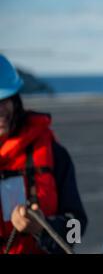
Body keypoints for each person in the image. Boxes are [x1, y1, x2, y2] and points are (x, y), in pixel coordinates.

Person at [0, 55, 87, 254]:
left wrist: (44, 228)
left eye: (4, 100)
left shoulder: (54, 154)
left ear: (15, 100)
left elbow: (78, 230)